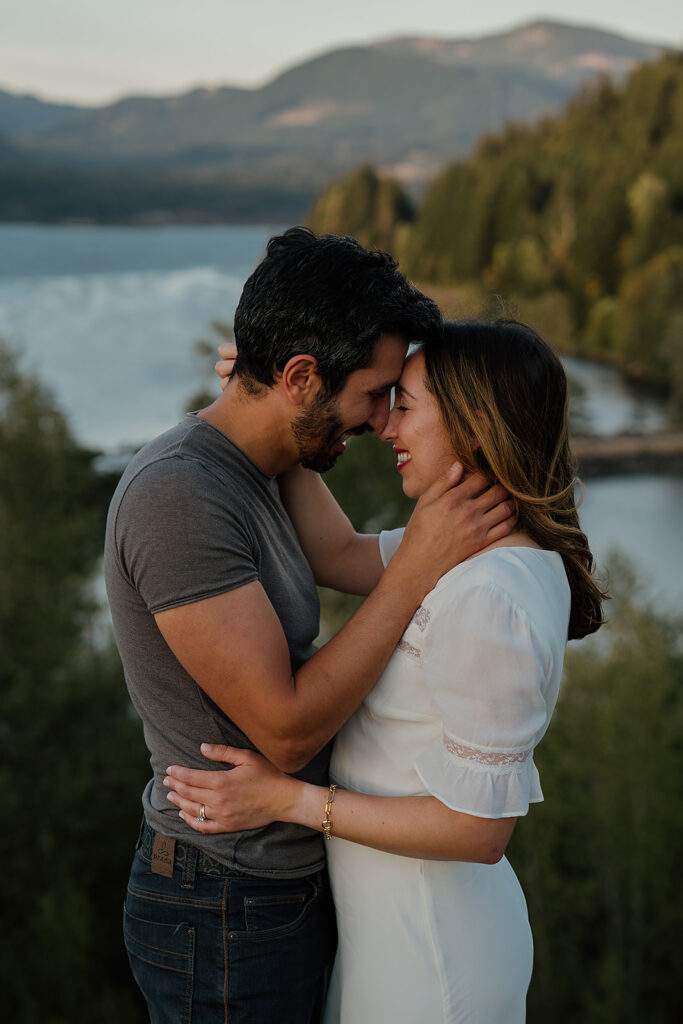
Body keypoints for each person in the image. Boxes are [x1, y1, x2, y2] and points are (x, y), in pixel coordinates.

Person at [105, 229, 514, 1024]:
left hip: (274, 882)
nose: (380, 419)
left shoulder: (260, 467)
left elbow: (339, 555)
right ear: (300, 377)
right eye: (373, 392)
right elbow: (285, 732)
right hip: (222, 899)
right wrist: (420, 563)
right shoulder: (179, 498)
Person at [164, 319, 605, 1023]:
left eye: (406, 405)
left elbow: (477, 832)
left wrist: (285, 801)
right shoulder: (463, 539)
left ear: (476, 425)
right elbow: (335, 553)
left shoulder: (489, 589)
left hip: (434, 955)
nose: (384, 424)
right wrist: (278, 410)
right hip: (390, 935)